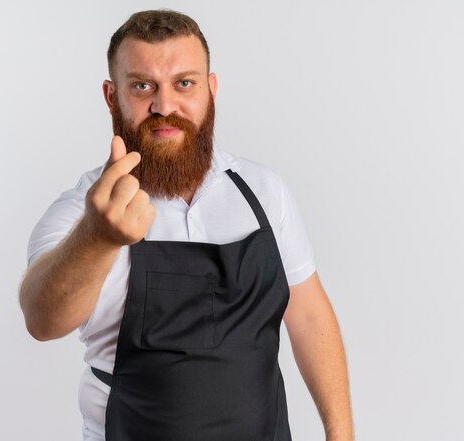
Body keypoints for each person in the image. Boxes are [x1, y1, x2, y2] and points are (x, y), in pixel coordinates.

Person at [20, 9, 353, 441]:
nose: (164, 106)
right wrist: (97, 239)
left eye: (184, 83)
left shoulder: (264, 193)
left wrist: (340, 434)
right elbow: (41, 320)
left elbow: (308, 316)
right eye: (142, 86)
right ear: (111, 96)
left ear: (210, 90)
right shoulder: (84, 211)